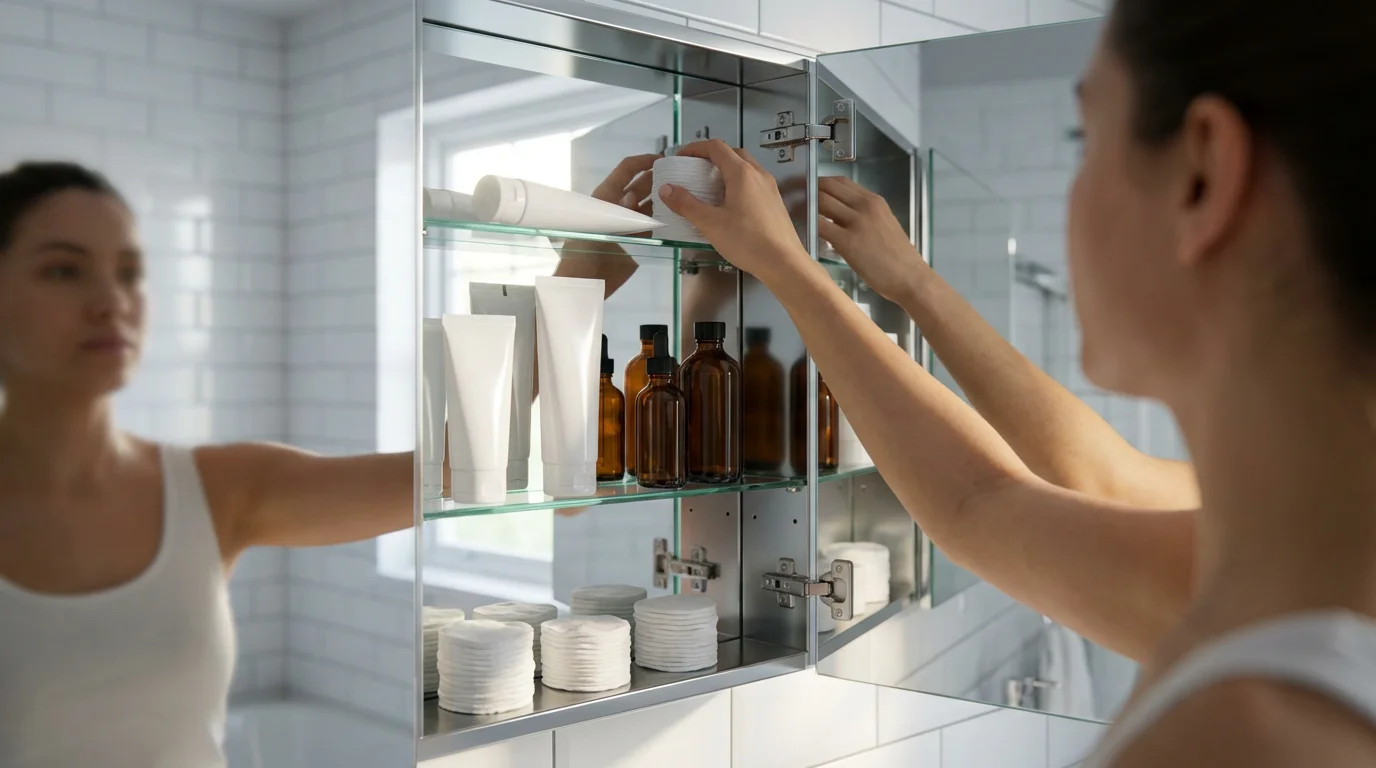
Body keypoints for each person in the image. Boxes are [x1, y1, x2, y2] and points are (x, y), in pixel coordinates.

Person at [657, 0, 1376, 762]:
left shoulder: (1254, 733)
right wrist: (904, 284)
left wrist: (792, 269)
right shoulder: (1295, 565)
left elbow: (1001, 502)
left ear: (1203, 174)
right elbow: (1011, 497)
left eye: (1087, 140)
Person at [0, 158, 643, 767]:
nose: (111, 299)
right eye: (64, 270)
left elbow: (453, 464)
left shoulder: (215, 491)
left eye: (130, 271)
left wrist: (583, 263)